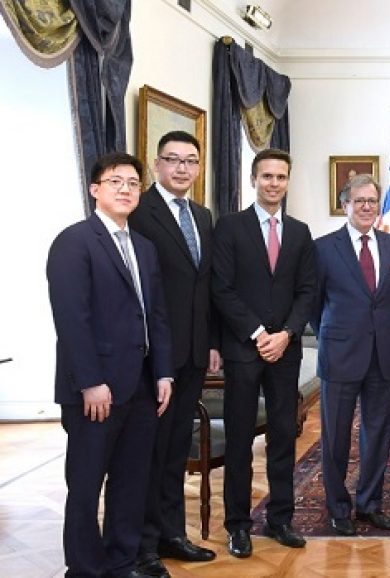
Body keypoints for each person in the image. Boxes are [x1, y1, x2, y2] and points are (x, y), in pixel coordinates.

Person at [47, 152, 173, 578]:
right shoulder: (74, 242)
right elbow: (72, 319)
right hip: (95, 390)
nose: (125, 189)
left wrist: (164, 372)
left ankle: (122, 562)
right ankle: (84, 569)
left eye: (133, 183)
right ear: (95, 189)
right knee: (85, 485)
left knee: (131, 482)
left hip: (141, 386)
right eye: (115, 181)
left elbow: (157, 316)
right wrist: (90, 381)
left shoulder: (144, 248)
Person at [212, 148, 316, 558]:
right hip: (244, 349)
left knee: (283, 437)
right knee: (239, 440)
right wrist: (259, 333)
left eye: (281, 177)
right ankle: (238, 525)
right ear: (254, 179)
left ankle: (280, 519)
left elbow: (307, 291)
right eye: (267, 176)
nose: (274, 183)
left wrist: (287, 334)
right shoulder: (230, 227)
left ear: (288, 181)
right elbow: (222, 288)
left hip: (285, 352)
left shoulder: (300, 232)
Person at [128, 131, 217, 577]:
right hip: (154, 357)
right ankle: (142, 547)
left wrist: (212, 341)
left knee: (176, 450)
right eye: (173, 159)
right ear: (156, 164)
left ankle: (172, 534)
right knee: (148, 451)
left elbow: (205, 286)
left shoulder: (202, 215)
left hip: (194, 354)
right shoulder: (138, 212)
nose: (183, 168)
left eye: (190, 160)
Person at [312, 174, 390, 536]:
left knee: (378, 433)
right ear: (345, 205)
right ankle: (338, 508)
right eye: (359, 200)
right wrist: (334, 334)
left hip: (383, 354)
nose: (367, 207)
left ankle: (369, 504)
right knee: (335, 437)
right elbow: (313, 304)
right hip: (339, 354)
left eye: (372, 201)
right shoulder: (323, 248)